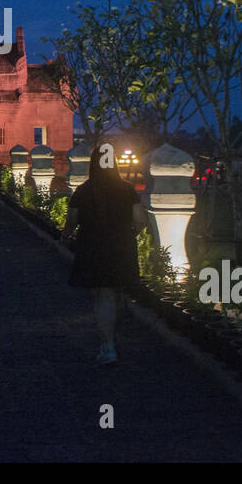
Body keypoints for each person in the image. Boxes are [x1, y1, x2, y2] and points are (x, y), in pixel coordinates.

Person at [64, 147, 146, 365]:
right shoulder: (127, 189)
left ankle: (108, 346)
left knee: (104, 295)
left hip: (92, 247)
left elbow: (71, 221)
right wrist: (129, 235)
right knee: (116, 292)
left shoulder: (83, 190)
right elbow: (140, 219)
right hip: (121, 246)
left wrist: (64, 238)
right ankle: (111, 336)